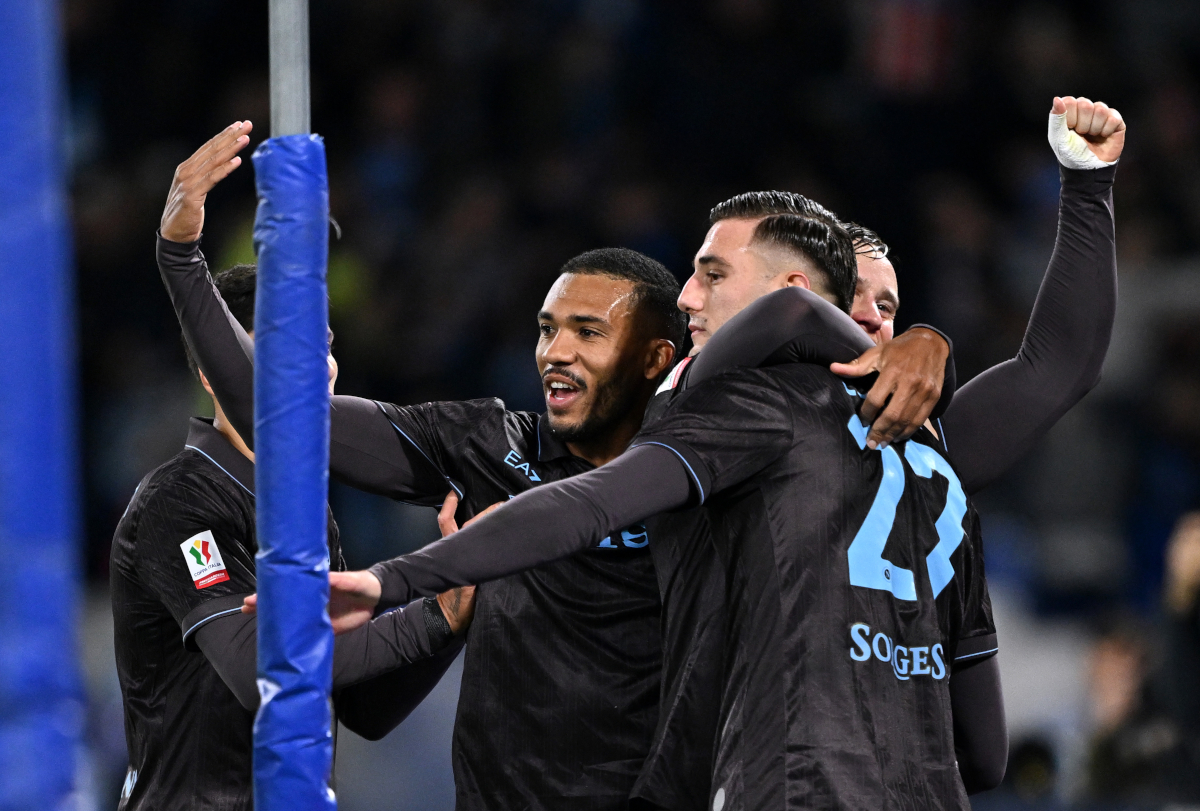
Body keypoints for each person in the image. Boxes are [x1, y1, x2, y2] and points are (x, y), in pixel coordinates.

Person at [326, 93, 1126, 808]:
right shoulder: (825, 418)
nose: (877, 325)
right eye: (860, 305)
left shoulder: (789, 418)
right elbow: (979, 751)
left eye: (892, 307)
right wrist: (929, 334)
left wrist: (396, 576)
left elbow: (1053, 366)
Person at [160, 123, 952, 810]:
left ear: (656, 358)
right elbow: (288, 419)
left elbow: (828, 327)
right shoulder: (488, 446)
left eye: (586, 331)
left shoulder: (726, 463)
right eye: (546, 329)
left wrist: (919, 341)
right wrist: (181, 257)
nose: (556, 352)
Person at [110, 261, 474, 810]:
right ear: (214, 370)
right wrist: (424, 614)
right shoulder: (178, 500)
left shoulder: (303, 509)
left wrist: (448, 610)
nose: (322, 366)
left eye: (324, 343)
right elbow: (263, 676)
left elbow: (361, 708)